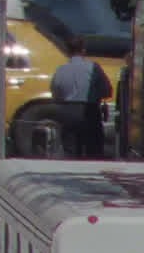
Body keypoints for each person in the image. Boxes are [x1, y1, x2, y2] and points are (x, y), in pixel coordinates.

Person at [48, 31, 112, 159]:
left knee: (70, 150)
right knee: (93, 151)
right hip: (90, 111)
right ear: (83, 50)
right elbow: (107, 91)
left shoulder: (60, 69)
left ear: (68, 51)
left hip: (68, 112)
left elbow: (55, 93)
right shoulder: (94, 67)